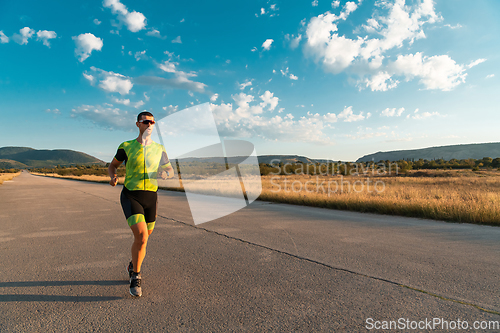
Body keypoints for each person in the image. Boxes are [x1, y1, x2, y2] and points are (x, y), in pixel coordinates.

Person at [108, 111, 174, 297]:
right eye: (146, 122)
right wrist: (113, 176)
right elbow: (113, 165)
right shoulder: (127, 146)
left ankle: (132, 264)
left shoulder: (160, 148)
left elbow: (170, 170)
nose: (150, 124)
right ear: (138, 124)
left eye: (153, 122)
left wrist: (165, 174)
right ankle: (135, 275)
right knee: (142, 236)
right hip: (131, 195)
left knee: (145, 238)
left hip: (151, 197)